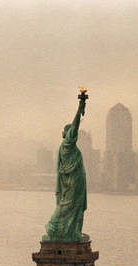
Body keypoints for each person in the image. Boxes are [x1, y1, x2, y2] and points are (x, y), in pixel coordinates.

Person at [45, 95, 88, 242]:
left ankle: (73, 230)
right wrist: (80, 107)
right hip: (72, 180)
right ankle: (53, 226)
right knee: (68, 203)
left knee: (74, 205)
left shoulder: (66, 146)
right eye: (71, 133)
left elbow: (74, 127)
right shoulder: (67, 145)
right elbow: (75, 125)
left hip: (74, 179)